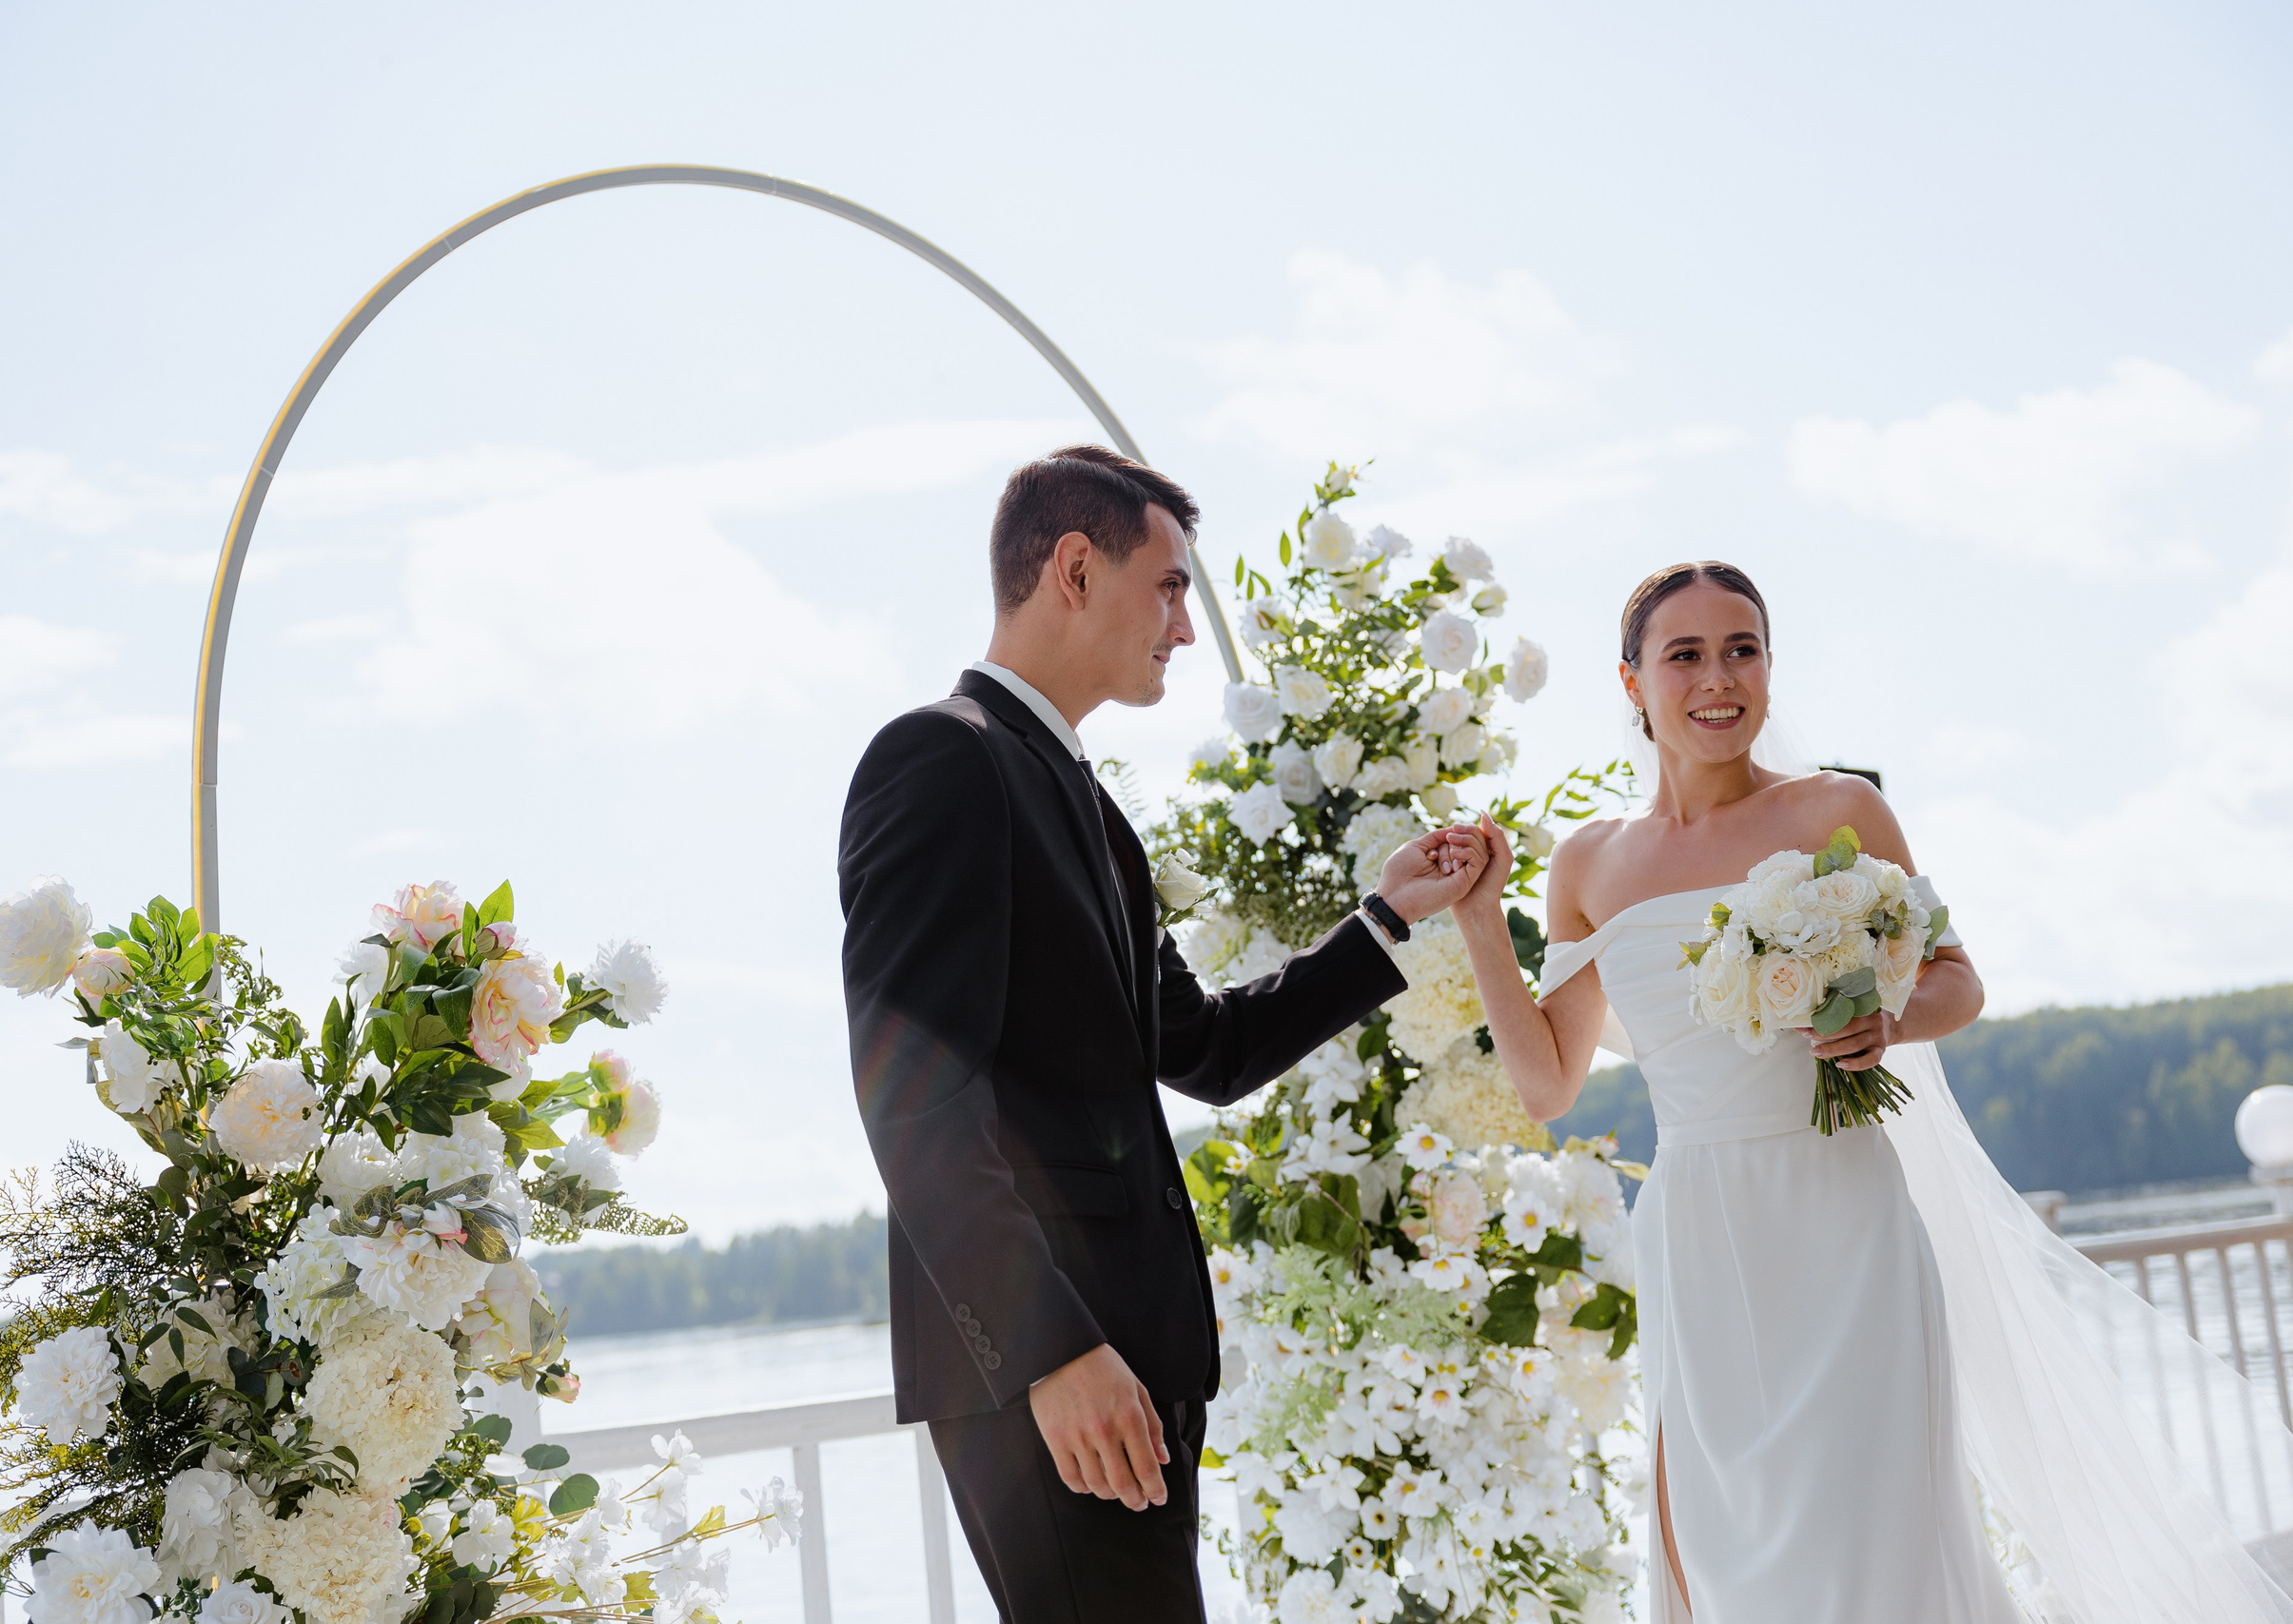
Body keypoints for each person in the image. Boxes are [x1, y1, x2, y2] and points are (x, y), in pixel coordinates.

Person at [1440, 560, 2293, 1623]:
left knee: (1876, 1538)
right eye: (1685, 654)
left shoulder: (1838, 809)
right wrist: (1480, 919)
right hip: (1700, 1240)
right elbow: (1546, 1084)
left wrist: (1886, 1018)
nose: (1719, 678)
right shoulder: (1587, 862)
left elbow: (1958, 980)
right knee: (1727, 1548)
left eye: (1742, 650)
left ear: (1769, 666)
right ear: (1632, 683)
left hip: (1847, 1219)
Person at [834, 445, 1484, 1623]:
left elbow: (1207, 1049)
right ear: (1076, 569)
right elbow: (914, 1101)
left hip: (1132, 1362)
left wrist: (1385, 918)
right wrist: (1050, 1351)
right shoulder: (941, 761)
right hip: (1053, 1374)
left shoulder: (1086, 804)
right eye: (1171, 586)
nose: (1185, 627)